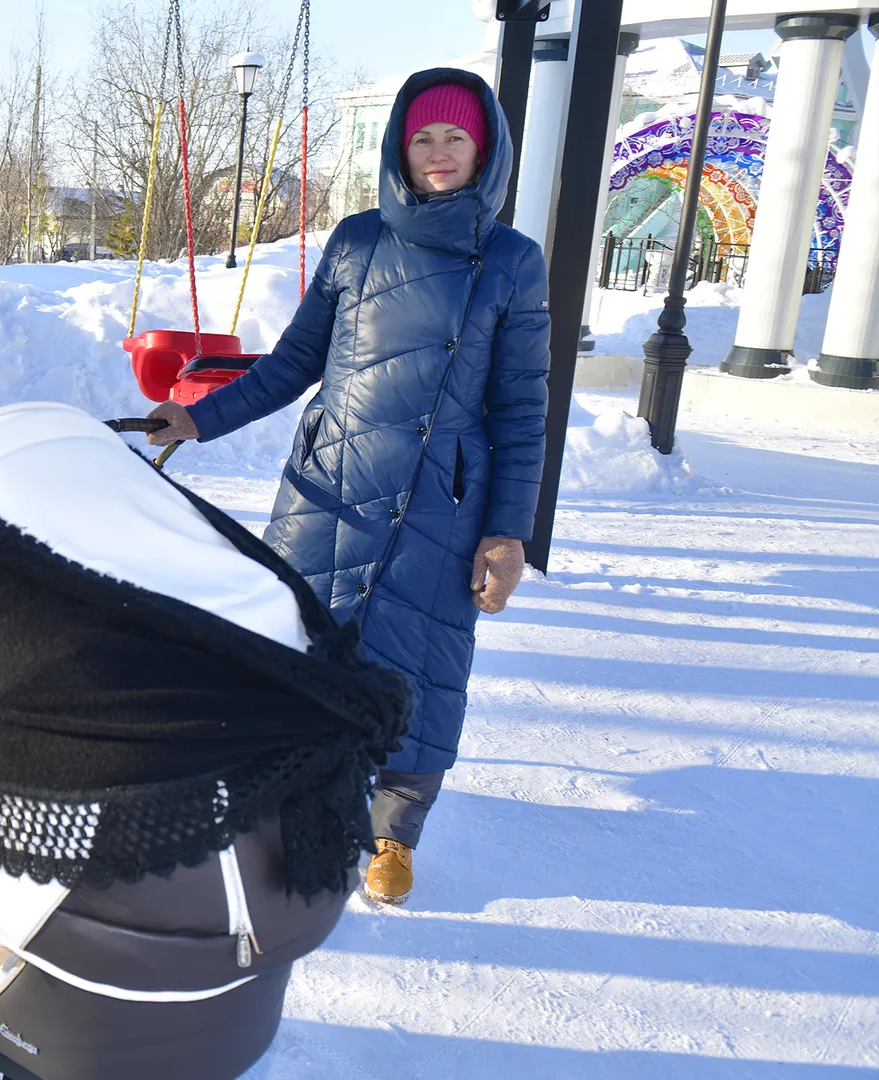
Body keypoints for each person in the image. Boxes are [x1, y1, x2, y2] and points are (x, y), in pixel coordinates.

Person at [145, 71, 550, 907]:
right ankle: (288, 798)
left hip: (442, 503)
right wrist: (198, 420)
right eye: (424, 137)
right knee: (300, 647)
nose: (438, 153)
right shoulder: (357, 243)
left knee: (424, 663)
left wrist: (508, 534)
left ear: (485, 151)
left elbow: (520, 411)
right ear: (402, 145)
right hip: (330, 484)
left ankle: (393, 832)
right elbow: (295, 364)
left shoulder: (513, 263)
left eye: (456, 139)